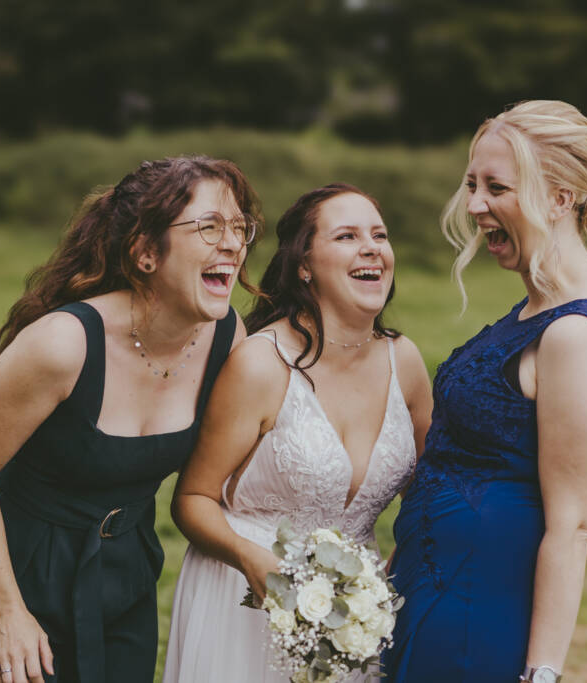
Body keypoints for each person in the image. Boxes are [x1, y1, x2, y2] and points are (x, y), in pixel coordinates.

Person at [0, 156, 261, 683]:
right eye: (210, 227)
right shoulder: (63, 344)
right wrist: (7, 612)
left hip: (124, 579)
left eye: (240, 227)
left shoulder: (227, 338)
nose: (233, 243)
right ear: (146, 253)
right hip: (12, 576)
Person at [383, 100, 587, 683]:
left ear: (558, 198)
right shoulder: (538, 301)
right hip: (432, 591)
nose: (474, 205)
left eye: (497, 187)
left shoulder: (576, 333)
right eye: (472, 184)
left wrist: (540, 673)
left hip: (478, 617)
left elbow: (574, 524)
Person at [161, 183, 433, 683]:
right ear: (304, 264)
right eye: (347, 236)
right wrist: (250, 559)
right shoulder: (260, 365)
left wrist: (383, 580)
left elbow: (430, 495)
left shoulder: (406, 362)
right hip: (243, 602)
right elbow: (192, 498)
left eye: (379, 235)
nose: (372, 247)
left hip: (352, 616)